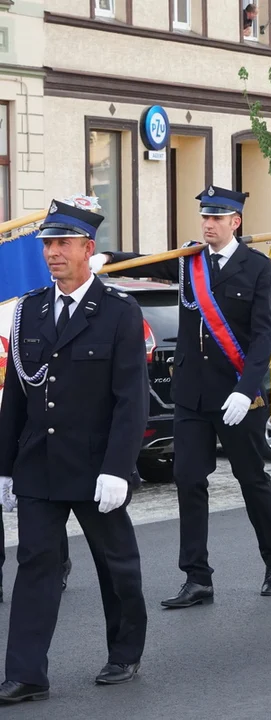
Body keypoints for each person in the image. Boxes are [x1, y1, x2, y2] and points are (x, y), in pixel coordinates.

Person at [94, 186, 271, 608]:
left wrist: (247, 388)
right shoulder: (189, 262)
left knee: (251, 479)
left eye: (216, 218)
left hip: (237, 395)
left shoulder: (256, 268)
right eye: (204, 217)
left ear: (235, 221)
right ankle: (197, 576)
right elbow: (152, 262)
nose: (207, 224)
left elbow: (264, 334)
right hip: (191, 393)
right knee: (188, 480)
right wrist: (109, 259)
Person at [0, 201, 149, 702]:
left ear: (89, 249)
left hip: (94, 465)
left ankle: (125, 651)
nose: (52, 253)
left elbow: (132, 400)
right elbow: (16, 396)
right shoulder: (30, 311)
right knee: (36, 563)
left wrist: (119, 468)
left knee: (116, 563)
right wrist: (4, 468)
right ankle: (25, 674)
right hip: (39, 462)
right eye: (47, 244)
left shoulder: (119, 313)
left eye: (62, 243)